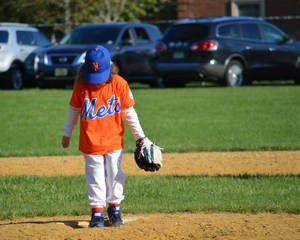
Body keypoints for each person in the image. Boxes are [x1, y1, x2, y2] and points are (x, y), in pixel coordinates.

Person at [61, 45, 147, 227]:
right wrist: (67, 134)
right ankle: (97, 212)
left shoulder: (119, 84)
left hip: (114, 140)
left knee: (115, 174)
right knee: (95, 176)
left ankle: (115, 209)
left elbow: (129, 113)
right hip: (90, 142)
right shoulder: (81, 84)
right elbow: (74, 110)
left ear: (111, 67)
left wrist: (140, 137)